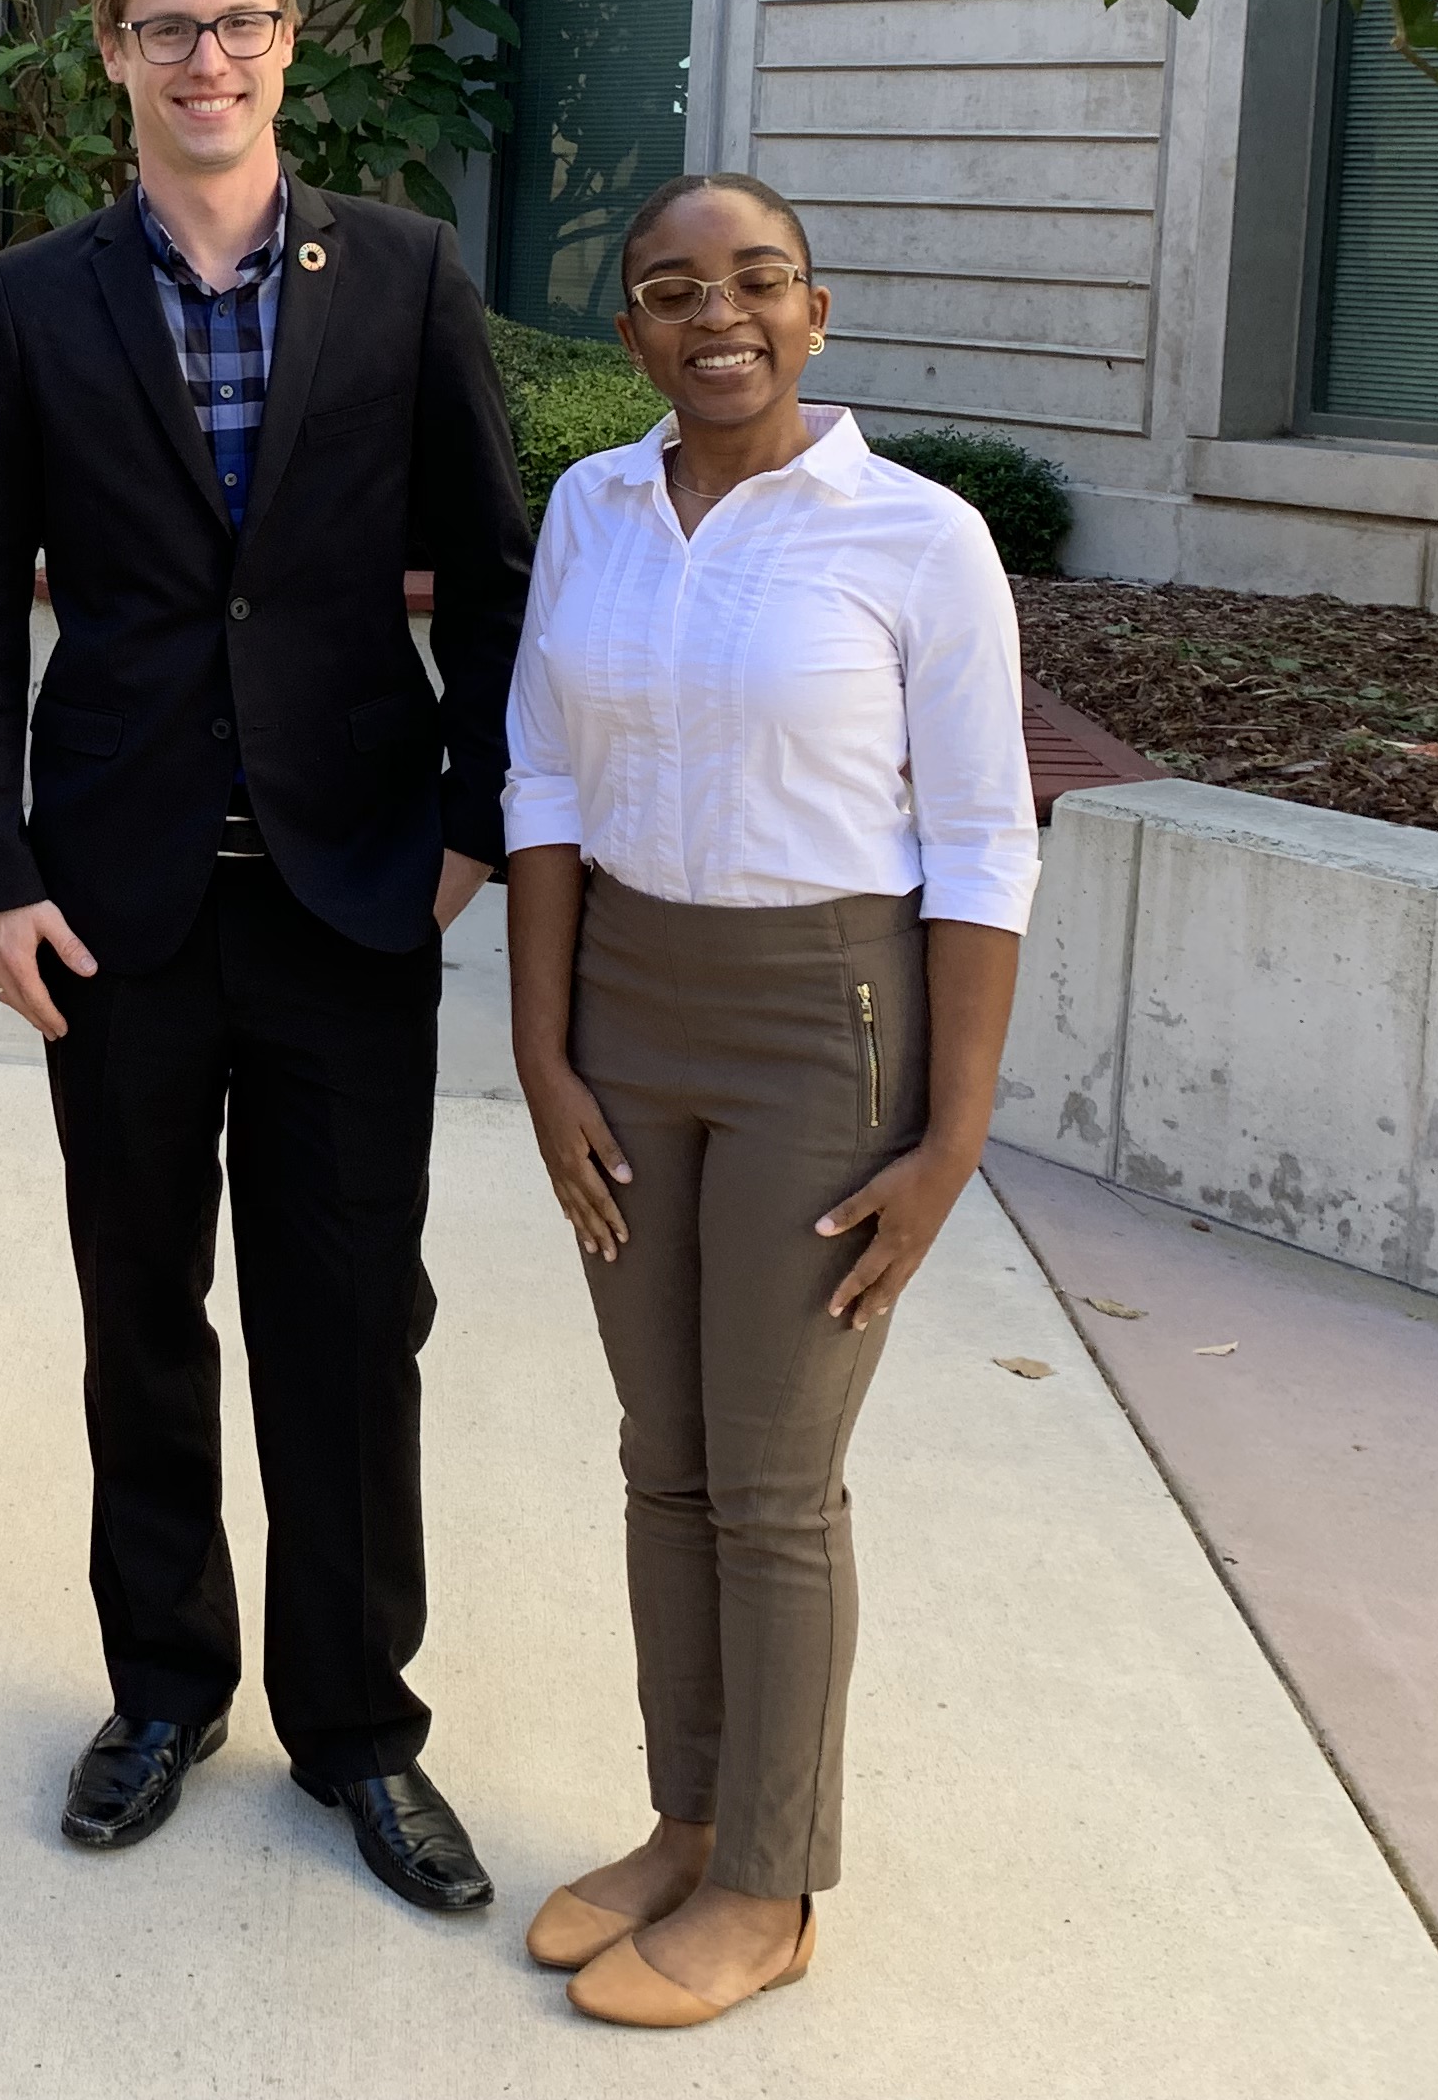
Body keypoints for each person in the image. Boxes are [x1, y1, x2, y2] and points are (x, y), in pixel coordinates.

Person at [0, 0, 531, 1911]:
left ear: (291, 41)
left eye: (243, 22)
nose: (212, 59)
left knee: (352, 1328)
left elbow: (500, 569)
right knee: (142, 1319)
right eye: (171, 27)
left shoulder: (408, 276)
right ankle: (168, 1690)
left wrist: (476, 816)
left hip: (357, 897)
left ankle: (358, 1728)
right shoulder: (31, 304)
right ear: (112, 51)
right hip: (115, 908)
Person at [503, 170, 1035, 2028]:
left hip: (833, 1023)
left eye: (757, 282)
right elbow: (542, 783)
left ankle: (774, 1881)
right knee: (665, 1457)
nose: (714, 315)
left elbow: (979, 843)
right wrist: (541, 1048)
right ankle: (690, 1815)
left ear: (816, 312)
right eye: (669, 289)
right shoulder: (592, 508)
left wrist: (950, 1138)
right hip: (626, 1005)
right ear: (633, 327)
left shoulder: (918, 538)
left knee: (776, 1481)